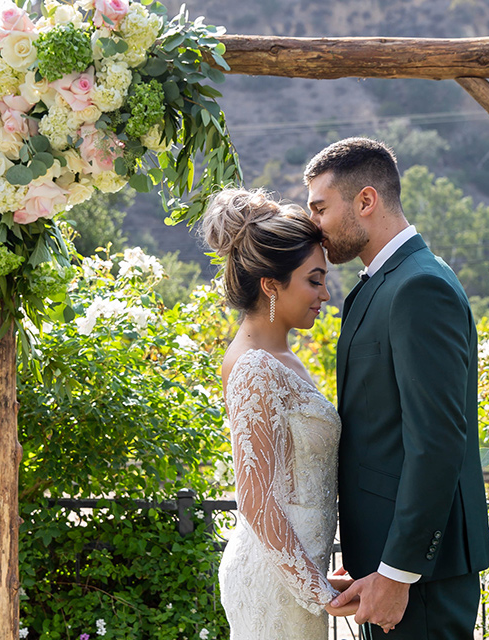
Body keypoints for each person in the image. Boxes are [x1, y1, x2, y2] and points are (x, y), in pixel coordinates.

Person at [303, 138, 489, 639]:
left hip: (421, 575)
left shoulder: (419, 287)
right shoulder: (376, 285)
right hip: (386, 561)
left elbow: (437, 441)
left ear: (365, 201)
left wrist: (397, 571)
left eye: (320, 208)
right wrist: (375, 558)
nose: (313, 226)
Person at [202, 188, 356, 639]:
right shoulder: (254, 365)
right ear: (271, 284)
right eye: (313, 279)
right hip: (278, 583)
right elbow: (255, 497)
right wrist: (317, 592)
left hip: (299, 569)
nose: (325, 293)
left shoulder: (279, 357)